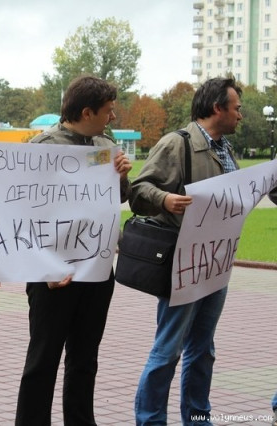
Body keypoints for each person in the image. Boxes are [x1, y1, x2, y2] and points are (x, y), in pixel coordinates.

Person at [14, 75, 132, 426]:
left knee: (85, 359)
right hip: (53, 274)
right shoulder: (41, 147)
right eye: (108, 110)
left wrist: (121, 176)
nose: (112, 117)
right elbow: (19, 212)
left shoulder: (105, 144)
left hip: (96, 269)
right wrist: (42, 268)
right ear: (86, 112)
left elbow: (117, 198)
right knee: (43, 360)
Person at [130, 77, 242, 425]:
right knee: (168, 349)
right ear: (217, 108)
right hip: (185, 263)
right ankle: (150, 420)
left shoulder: (225, 149)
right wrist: (165, 199)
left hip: (217, 263)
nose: (241, 115)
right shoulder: (177, 143)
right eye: (236, 108)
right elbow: (138, 191)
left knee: (203, 350)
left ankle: (197, 418)